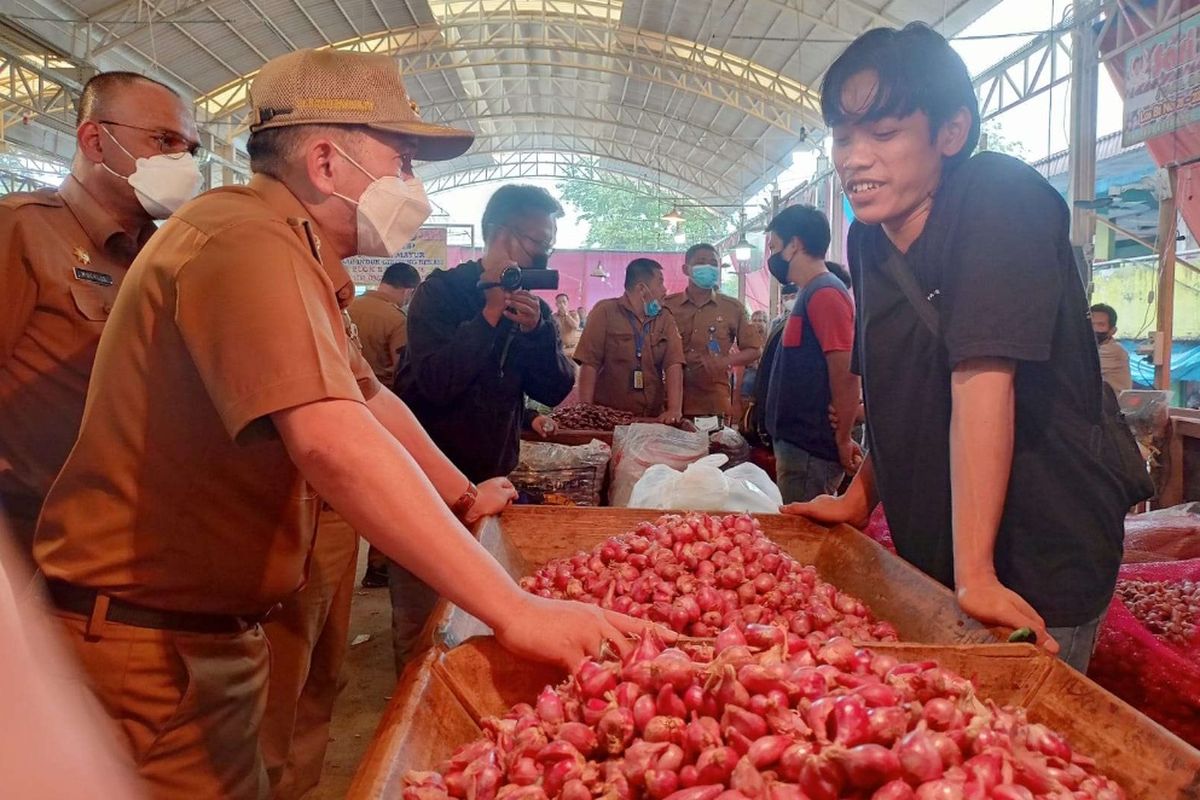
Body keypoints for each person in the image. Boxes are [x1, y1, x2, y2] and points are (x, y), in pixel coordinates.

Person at [33, 49, 645, 799]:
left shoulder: (293, 251)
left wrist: (462, 494)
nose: (412, 187)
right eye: (403, 161)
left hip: (198, 633)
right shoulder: (244, 239)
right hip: (149, 646)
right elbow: (331, 438)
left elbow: (370, 402)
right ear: (326, 161)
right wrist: (513, 609)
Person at [785, 23, 1132, 673]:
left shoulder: (999, 198)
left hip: (1038, 558)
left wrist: (977, 574)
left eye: (883, 134)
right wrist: (858, 497)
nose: (854, 158)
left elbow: (982, 376)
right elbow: (899, 394)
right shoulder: (867, 240)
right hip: (941, 562)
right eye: (842, 136)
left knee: (1013, 752)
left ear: (950, 132)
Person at [0, 71, 200, 551]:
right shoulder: (20, 232)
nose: (183, 162)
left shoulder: (163, 259)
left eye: (190, 149)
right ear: (94, 140)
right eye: (164, 140)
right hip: (34, 545)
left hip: (127, 538)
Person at [394, 184, 576, 673]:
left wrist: (539, 335)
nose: (545, 254)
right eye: (537, 242)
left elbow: (556, 388)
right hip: (428, 488)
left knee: (488, 619)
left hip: (497, 488)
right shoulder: (442, 294)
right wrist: (489, 314)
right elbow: (432, 383)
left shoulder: (533, 309)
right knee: (423, 627)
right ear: (500, 235)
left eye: (550, 246)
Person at [763, 205, 861, 502]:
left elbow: (844, 370)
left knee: (802, 533)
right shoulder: (809, 292)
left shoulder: (826, 293)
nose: (772, 256)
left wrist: (843, 437)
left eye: (774, 246)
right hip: (797, 444)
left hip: (810, 447)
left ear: (795, 244)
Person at [350, 261, 422, 590]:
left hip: (343, 408)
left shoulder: (349, 307)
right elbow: (403, 371)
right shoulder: (396, 319)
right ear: (407, 290)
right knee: (386, 489)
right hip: (381, 412)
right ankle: (379, 565)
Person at [574, 258, 685, 422]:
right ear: (642, 288)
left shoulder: (664, 318)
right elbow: (590, 363)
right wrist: (585, 411)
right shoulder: (605, 311)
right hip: (609, 418)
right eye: (660, 283)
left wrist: (674, 410)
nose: (665, 290)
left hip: (652, 417)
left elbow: (674, 364)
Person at [663, 243, 763, 421]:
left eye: (713, 263)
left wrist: (725, 361)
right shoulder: (667, 306)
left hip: (712, 403)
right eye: (701, 262)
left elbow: (755, 350)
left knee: (715, 448)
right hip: (667, 402)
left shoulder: (732, 308)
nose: (708, 267)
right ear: (686, 269)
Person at [350, 261, 422, 386]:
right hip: (381, 393)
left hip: (346, 389)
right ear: (409, 292)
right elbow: (400, 368)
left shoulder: (348, 307)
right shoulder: (398, 320)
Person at [1091, 302, 1132, 394]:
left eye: (1101, 325)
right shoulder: (1093, 349)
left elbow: (1080, 369)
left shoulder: (1114, 350)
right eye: (1091, 324)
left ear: (1113, 331)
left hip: (1113, 407)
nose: (1094, 329)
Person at [553, 292, 582, 358]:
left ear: (568, 303)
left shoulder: (574, 314)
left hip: (574, 349)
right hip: (560, 349)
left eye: (564, 302)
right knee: (561, 367)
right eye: (559, 302)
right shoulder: (554, 317)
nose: (562, 304)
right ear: (556, 304)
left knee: (577, 366)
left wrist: (566, 314)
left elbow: (575, 326)